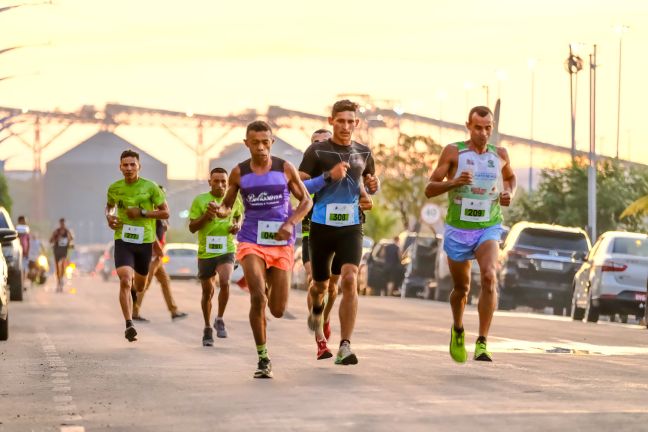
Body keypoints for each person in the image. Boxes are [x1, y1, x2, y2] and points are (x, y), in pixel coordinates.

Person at [215, 120, 311, 378]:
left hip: (281, 242)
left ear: (272, 142)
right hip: (251, 240)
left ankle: (268, 283)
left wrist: (291, 223)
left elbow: (306, 201)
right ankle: (263, 358)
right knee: (258, 296)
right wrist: (220, 210)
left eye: (265, 142)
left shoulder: (284, 168)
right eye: (255, 143)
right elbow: (227, 205)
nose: (260, 148)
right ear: (246, 143)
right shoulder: (239, 173)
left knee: (277, 310)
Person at [424, 106, 516, 362]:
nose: (484, 133)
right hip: (458, 228)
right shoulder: (454, 151)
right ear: (468, 126)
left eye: (488, 128)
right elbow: (430, 189)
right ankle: (458, 328)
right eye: (478, 128)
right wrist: (455, 182)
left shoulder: (500, 154)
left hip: (488, 225)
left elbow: (510, 179)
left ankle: (483, 341)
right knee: (461, 288)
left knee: (489, 276)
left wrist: (509, 194)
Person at [299, 99, 379, 366]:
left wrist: (371, 189)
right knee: (320, 286)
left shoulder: (364, 153)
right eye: (340, 121)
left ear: (357, 123)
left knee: (349, 278)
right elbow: (298, 187)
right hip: (320, 227)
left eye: (350, 121)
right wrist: (327, 177)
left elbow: (366, 187)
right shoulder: (317, 151)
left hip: (351, 226)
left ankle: (345, 345)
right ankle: (317, 309)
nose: (346, 126)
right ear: (331, 121)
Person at [105, 149, 169, 342]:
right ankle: (129, 324)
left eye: (133, 164)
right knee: (125, 280)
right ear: (120, 167)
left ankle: (135, 288)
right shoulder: (114, 188)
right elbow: (110, 205)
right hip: (123, 239)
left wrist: (142, 213)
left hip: (144, 242)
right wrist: (109, 216)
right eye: (125, 165)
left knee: (139, 286)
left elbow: (165, 213)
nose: (129, 168)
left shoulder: (150, 187)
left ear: (139, 166)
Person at [189, 167, 243, 346]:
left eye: (223, 182)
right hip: (206, 252)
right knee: (207, 292)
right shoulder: (200, 200)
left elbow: (238, 217)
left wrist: (236, 226)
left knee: (226, 281)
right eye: (216, 181)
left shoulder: (234, 199)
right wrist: (207, 215)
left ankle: (219, 318)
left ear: (228, 184)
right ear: (209, 182)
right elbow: (192, 227)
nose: (220, 185)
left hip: (226, 249)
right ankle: (207, 327)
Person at [132, 204, 188, 323]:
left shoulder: (162, 216)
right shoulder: (153, 215)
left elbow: (163, 231)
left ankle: (173, 311)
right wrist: (158, 249)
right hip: (152, 256)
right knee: (144, 284)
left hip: (157, 258)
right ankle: (134, 312)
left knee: (165, 281)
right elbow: (150, 233)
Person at [49, 218, 74, 292]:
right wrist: (56, 239)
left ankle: (61, 278)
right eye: (61, 223)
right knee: (57, 267)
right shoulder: (56, 232)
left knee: (63, 264)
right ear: (59, 224)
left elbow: (71, 239)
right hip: (57, 251)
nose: (62, 225)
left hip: (64, 251)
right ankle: (58, 281)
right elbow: (50, 240)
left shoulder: (67, 232)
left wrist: (69, 242)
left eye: (63, 223)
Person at [16, 216, 30, 284]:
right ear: (19, 222)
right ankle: (19, 282)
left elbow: (28, 241)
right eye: (22, 221)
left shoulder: (27, 231)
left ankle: (23, 282)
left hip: (24, 251)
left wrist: (27, 251)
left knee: (24, 267)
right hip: (17, 251)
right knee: (19, 267)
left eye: (24, 221)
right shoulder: (16, 230)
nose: (24, 222)